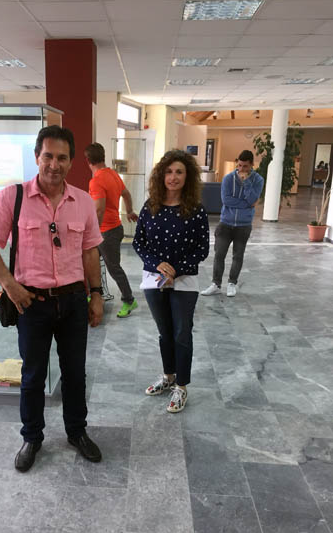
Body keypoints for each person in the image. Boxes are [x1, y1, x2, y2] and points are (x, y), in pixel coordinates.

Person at [0, 125, 104, 472]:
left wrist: (96, 294)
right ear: (37, 157)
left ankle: (77, 432)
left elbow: (90, 251)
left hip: (73, 301)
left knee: (75, 373)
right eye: (48, 156)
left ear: (71, 161)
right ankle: (32, 437)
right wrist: (10, 286)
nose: (54, 164)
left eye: (62, 158)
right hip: (31, 303)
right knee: (33, 375)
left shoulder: (82, 202)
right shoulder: (13, 197)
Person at [133, 150, 209, 413]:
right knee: (164, 332)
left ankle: (182, 386)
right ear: (161, 175)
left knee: (181, 333)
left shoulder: (196, 210)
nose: (173, 177)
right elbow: (138, 242)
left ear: (188, 176)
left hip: (184, 282)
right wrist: (157, 264)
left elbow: (202, 249)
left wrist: (177, 269)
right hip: (154, 280)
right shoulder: (150, 206)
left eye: (179, 172)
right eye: (168, 172)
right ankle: (168, 376)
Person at [84, 142, 139, 318]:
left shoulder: (96, 180)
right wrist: (129, 211)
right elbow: (126, 194)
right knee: (91, 264)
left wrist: (93, 232)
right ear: (103, 156)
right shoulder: (113, 174)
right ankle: (95, 296)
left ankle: (129, 300)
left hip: (106, 232)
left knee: (113, 268)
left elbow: (99, 209)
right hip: (113, 229)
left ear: (88, 161)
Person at [201, 149, 264, 298]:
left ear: (252, 165)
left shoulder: (258, 180)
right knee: (219, 254)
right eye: (239, 165)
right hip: (226, 223)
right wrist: (247, 204)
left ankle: (232, 283)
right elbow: (226, 200)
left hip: (244, 225)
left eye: (245, 166)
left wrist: (246, 183)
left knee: (238, 256)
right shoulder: (228, 178)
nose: (241, 169)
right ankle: (216, 284)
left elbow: (253, 199)